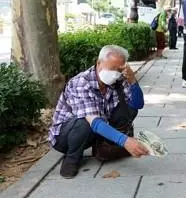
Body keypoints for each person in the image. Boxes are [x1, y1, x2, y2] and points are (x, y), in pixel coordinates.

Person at [48, 45, 149, 178]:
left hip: (95, 129)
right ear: (99, 63)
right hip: (66, 136)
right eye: (112, 68)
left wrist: (132, 79)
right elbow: (94, 122)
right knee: (85, 122)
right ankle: (72, 158)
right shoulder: (81, 82)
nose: (115, 74)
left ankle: (104, 145)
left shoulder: (118, 79)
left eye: (119, 70)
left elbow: (137, 104)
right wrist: (125, 141)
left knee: (129, 109)